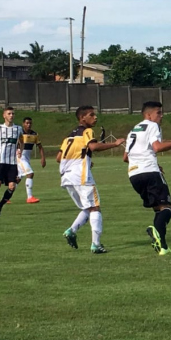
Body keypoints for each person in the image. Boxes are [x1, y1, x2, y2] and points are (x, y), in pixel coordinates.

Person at [123, 102, 171, 256]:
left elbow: (125, 157)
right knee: (167, 209)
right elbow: (157, 147)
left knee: (158, 210)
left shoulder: (133, 130)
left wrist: (155, 165)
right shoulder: (152, 126)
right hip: (149, 173)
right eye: (158, 113)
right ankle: (155, 232)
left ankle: (163, 247)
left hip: (134, 175)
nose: (161, 116)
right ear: (148, 115)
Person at [58, 106, 125, 254]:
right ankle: (96, 244)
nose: (95, 117)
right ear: (82, 118)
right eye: (91, 115)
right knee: (95, 207)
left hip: (67, 177)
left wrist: (85, 160)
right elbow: (93, 146)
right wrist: (115, 144)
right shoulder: (87, 131)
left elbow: (58, 158)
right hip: (80, 175)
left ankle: (71, 230)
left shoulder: (69, 136)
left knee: (87, 208)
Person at [17, 117, 46, 203]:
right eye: (27, 123)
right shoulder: (19, 133)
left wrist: (43, 158)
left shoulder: (34, 134)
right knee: (30, 174)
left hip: (26, 158)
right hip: (20, 157)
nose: (29, 125)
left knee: (18, 178)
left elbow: (40, 147)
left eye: (30, 123)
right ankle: (29, 197)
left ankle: (5, 197)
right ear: (23, 124)